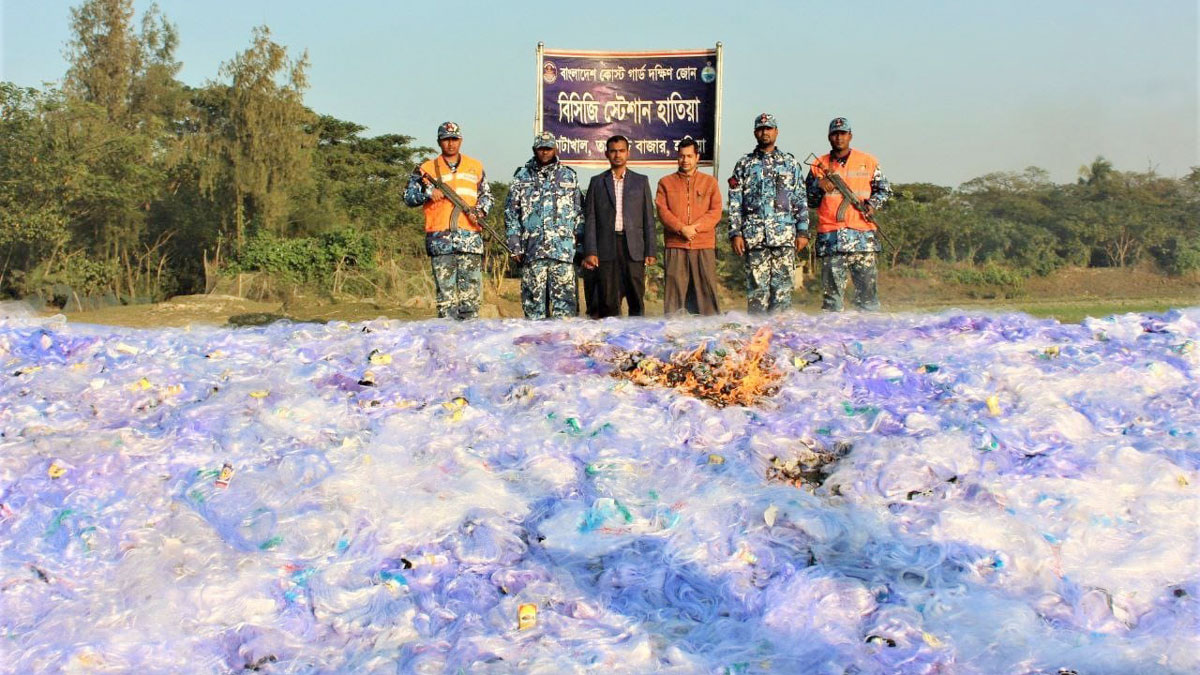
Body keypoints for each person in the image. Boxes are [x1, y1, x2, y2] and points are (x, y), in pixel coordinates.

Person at [403, 121, 494, 320]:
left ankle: (470, 342)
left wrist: (479, 211)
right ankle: (447, 343)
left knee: (470, 298)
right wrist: (428, 192)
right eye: (446, 140)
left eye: (454, 139)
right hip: (440, 241)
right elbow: (408, 197)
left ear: (460, 140)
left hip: (470, 239)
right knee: (446, 300)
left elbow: (487, 196)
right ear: (439, 142)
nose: (450, 144)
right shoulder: (426, 168)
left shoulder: (475, 166)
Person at [804, 117, 892, 311]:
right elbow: (808, 200)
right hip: (831, 237)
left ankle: (869, 335)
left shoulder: (868, 161)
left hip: (862, 235)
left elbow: (884, 190)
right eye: (835, 134)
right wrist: (819, 186)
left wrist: (872, 205)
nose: (839, 138)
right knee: (832, 300)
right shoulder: (818, 165)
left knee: (868, 296)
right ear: (829, 137)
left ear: (850, 136)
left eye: (842, 134)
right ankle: (833, 338)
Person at [727, 113, 809, 313]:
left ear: (776, 132)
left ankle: (779, 340)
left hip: (783, 237)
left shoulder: (790, 163)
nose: (765, 132)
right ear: (755, 132)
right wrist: (735, 233)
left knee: (782, 292)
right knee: (757, 292)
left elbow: (800, 198)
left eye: (769, 128)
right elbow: (735, 202)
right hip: (755, 239)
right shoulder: (744, 165)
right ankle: (757, 340)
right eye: (761, 129)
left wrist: (803, 231)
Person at [504, 131, 584, 319]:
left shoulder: (568, 176)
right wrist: (515, 245)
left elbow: (580, 213)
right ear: (534, 150)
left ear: (555, 149)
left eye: (548, 148)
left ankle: (563, 349)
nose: (545, 152)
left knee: (565, 314)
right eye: (541, 149)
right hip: (533, 252)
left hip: (563, 253)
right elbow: (511, 213)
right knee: (534, 312)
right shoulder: (521, 177)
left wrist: (580, 245)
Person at [581, 135, 657, 318]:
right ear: (607, 154)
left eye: (621, 151)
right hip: (607, 247)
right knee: (608, 299)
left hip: (634, 247)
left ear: (628, 153)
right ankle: (613, 343)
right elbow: (590, 219)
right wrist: (591, 250)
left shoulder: (641, 181)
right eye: (613, 151)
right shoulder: (597, 182)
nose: (617, 155)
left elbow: (648, 218)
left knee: (636, 297)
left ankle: (636, 340)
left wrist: (651, 250)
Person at [655, 138, 723, 315]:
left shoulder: (710, 182)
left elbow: (715, 211)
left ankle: (710, 338)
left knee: (706, 296)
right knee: (674, 299)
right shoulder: (665, 183)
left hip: (703, 245)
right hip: (676, 245)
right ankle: (673, 339)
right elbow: (663, 211)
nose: (685, 160)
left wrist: (695, 228)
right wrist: (681, 228)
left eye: (689, 156)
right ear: (677, 158)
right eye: (682, 156)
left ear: (697, 157)